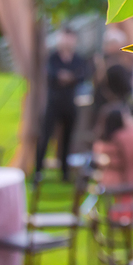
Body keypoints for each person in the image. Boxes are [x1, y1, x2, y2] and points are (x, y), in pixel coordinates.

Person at [37, 27, 89, 181]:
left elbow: (82, 76)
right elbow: (51, 74)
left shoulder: (78, 59)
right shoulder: (53, 58)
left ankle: (64, 172)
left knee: (67, 138)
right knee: (45, 137)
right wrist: (68, 77)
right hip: (53, 103)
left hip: (70, 103)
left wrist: (68, 78)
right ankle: (38, 171)